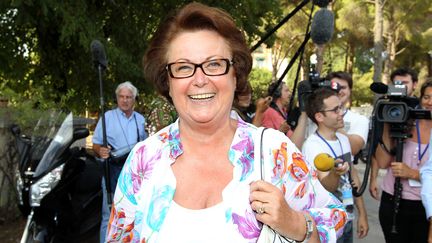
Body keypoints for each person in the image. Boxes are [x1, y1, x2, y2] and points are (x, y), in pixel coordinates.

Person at [105, 3, 347, 243]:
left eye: (214, 64)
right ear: (167, 80)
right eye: (183, 67)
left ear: (235, 73)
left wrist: (296, 224)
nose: (200, 80)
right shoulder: (143, 161)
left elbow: (332, 217)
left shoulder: (275, 153)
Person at [302, 88, 369, 243]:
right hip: (327, 224)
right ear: (319, 116)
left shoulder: (343, 139)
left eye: (341, 107)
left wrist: (362, 214)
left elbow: (353, 177)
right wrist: (335, 173)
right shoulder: (312, 146)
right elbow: (327, 187)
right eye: (335, 110)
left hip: (347, 217)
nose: (341, 113)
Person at [374, 81, 432, 242]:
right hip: (393, 202)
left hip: (426, 207)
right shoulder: (406, 120)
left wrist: (413, 173)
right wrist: (388, 122)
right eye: (426, 97)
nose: (430, 102)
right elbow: (383, 162)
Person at [92, 81, 147, 243]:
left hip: (134, 174)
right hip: (112, 171)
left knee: (134, 213)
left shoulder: (141, 120)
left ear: (134, 99)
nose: (125, 100)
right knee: (108, 214)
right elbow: (95, 143)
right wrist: (100, 150)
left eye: (129, 97)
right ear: (117, 98)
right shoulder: (107, 117)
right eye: (122, 97)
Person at [369, 67, 419, 200]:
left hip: (418, 192)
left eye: (405, 84)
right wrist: (373, 179)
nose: (400, 87)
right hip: (390, 189)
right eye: (397, 84)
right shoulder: (385, 110)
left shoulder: (422, 109)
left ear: (415, 84)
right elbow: (377, 152)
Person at [262, 81, 308, 148]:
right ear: (278, 94)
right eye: (286, 91)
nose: (289, 94)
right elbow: (292, 140)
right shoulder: (271, 112)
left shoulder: (283, 111)